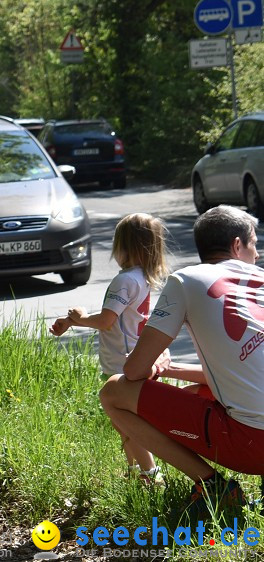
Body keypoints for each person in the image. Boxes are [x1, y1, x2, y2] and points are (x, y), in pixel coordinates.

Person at [100, 205, 264, 520]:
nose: (257, 254)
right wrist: (171, 368)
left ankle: (213, 486)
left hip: (253, 445)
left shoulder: (186, 280)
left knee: (113, 393)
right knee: (194, 392)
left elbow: (133, 372)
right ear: (236, 246)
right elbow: (239, 375)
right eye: (254, 244)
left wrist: (156, 361)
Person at [49, 213, 175, 482]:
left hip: (122, 363)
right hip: (131, 360)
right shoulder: (141, 277)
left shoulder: (125, 280)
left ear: (124, 247)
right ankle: (135, 472)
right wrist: (73, 322)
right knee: (124, 423)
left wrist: (79, 317)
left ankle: (150, 475)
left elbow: (107, 321)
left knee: (127, 424)